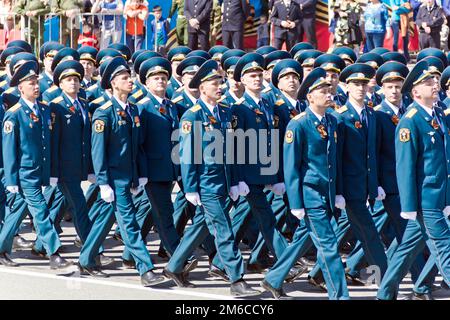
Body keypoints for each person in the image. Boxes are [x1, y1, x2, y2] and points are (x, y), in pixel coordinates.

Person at [164, 59, 260, 297]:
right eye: (214, 83)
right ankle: (236, 278)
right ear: (202, 87)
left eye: (220, 82)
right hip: (206, 183)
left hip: (225, 180)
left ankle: (174, 266)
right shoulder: (192, 116)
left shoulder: (225, 112)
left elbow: (233, 149)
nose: (220, 86)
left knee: (201, 226)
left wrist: (237, 180)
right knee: (223, 229)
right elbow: (188, 155)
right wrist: (190, 188)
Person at [263, 66, 349, 300]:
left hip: (327, 193)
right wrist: (296, 202)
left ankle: (273, 278)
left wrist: (338, 192)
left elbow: (334, 162)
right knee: (329, 248)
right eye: (322, 90)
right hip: (310, 196)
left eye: (329, 89)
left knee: (305, 238)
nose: (328, 93)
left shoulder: (332, 121)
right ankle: (340, 296)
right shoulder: (298, 124)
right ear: (310, 96)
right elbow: (291, 167)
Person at [86, 56, 165, 285]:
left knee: (104, 219)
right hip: (114, 178)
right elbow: (98, 151)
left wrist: (140, 174)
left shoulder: (132, 109)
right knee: (129, 222)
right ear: (113, 83)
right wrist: (102, 183)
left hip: (128, 176)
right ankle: (145, 269)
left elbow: (136, 145)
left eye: (130, 77)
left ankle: (85, 258)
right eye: (124, 78)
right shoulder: (104, 112)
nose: (130, 81)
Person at [377, 60, 450, 300]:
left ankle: (385, 293)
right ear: (416, 91)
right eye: (429, 82)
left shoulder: (437, 114)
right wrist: (408, 205)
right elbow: (405, 167)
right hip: (425, 199)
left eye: (435, 80)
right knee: (445, 247)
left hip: (438, 195)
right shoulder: (410, 120)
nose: (435, 84)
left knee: (406, 249)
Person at [0, 60, 72, 270]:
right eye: (30, 83)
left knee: (17, 212)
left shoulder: (43, 109)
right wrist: (12, 180)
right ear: (20, 87)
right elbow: (9, 150)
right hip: (25, 173)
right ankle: (54, 253)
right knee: (41, 211)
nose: (35, 85)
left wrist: (50, 171)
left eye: (36, 81)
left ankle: (1, 248)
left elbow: (46, 143)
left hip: (39, 170)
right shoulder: (14, 113)